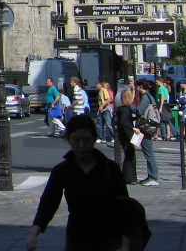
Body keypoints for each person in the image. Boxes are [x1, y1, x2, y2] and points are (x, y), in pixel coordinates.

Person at [25, 114, 132, 251]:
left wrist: (125, 245)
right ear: (68, 139)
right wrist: (34, 233)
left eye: (86, 140)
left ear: (94, 139)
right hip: (76, 240)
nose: (81, 145)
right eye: (76, 140)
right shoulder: (62, 170)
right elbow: (48, 204)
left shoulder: (110, 168)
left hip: (108, 241)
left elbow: (124, 209)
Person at [134, 79, 160, 187]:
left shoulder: (145, 97)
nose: (136, 89)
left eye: (136, 87)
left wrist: (127, 106)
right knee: (147, 151)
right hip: (147, 127)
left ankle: (153, 177)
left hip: (145, 128)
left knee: (148, 153)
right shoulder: (149, 96)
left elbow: (139, 110)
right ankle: (151, 176)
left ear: (140, 86)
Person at [114, 89, 139, 185]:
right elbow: (124, 122)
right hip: (126, 133)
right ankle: (129, 177)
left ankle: (128, 177)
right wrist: (133, 129)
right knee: (130, 155)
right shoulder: (125, 109)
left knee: (129, 155)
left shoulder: (121, 109)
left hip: (123, 133)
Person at [155, 76, 175, 141]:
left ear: (160, 81)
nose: (156, 83)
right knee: (166, 121)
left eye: (156, 82)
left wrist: (160, 107)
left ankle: (157, 135)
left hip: (162, 105)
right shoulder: (164, 88)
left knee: (160, 120)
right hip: (166, 104)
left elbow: (162, 97)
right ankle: (168, 135)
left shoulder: (161, 88)